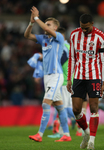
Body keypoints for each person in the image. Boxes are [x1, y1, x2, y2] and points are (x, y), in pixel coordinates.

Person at [24, 6, 71, 142]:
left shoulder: (59, 38)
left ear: (55, 27)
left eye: (49, 24)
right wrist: (31, 22)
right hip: (47, 77)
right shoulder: (44, 39)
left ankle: (39, 134)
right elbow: (27, 35)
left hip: (56, 75)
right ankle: (67, 135)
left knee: (45, 104)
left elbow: (46, 28)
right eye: (46, 23)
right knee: (60, 107)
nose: (46, 26)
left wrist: (37, 18)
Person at [67, 14, 104, 149]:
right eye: (82, 27)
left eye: (86, 28)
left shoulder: (101, 37)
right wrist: (69, 79)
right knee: (76, 110)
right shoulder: (73, 35)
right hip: (78, 77)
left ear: (92, 23)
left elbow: (103, 61)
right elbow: (72, 57)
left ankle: (92, 142)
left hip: (94, 77)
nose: (83, 30)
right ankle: (86, 133)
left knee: (94, 108)